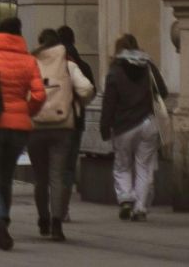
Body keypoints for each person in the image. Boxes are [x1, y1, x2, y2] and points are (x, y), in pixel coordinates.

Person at [0, 16, 47, 251]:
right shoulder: (29, 60)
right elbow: (39, 94)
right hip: (19, 128)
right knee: (6, 175)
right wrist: (26, 110)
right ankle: (1, 222)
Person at [29, 28, 95, 241]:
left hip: (35, 127)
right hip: (63, 126)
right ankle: (57, 222)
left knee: (40, 178)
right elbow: (86, 89)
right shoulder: (69, 65)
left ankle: (43, 218)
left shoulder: (32, 64)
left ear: (40, 42)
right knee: (58, 175)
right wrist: (75, 103)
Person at [100, 33, 167, 223]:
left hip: (124, 126)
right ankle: (141, 207)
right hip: (147, 123)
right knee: (144, 167)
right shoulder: (149, 67)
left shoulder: (114, 71)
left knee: (122, 165)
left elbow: (109, 103)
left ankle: (125, 199)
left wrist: (105, 126)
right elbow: (163, 91)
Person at [55, 25, 96, 216]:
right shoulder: (82, 65)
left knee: (54, 166)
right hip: (75, 120)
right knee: (69, 165)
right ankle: (63, 207)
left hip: (52, 121)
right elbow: (90, 90)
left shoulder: (52, 64)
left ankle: (53, 207)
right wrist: (79, 104)